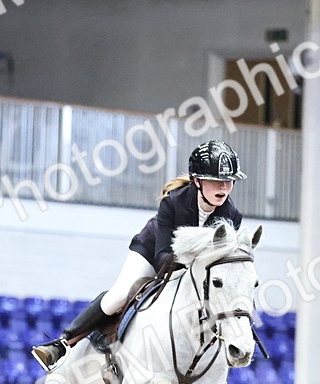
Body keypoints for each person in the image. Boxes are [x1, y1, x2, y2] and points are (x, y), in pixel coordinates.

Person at [31, 139, 246, 371]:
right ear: (197, 180)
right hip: (153, 252)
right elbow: (163, 256)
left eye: (228, 181)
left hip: (192, 271)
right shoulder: (173, 203)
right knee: (120, 294)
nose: (223, 187)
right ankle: (63, 344)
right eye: (216, 181)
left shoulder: (232, 216)